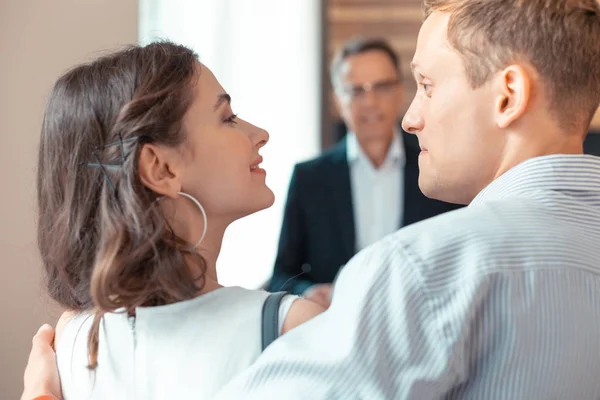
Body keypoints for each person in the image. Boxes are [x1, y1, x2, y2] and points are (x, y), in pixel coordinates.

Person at [22, 0, 600, 397]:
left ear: (508, 97)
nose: (407, 116)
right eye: (227, 117)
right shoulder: (78, 338)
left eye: (423, 85)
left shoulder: (421, 270)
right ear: (159, 166)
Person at [30, 41, 323, 400]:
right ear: (161, 168)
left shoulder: (67, 346)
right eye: (227, 117)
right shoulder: (292, 331)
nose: (260, 134)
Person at [268, 37, 460, 306]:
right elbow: (281, 276)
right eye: (356, 91)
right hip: (339, 325)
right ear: (337, 100)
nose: (370, 102)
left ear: (399, 91)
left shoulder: (436, 166)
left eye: (381, 87)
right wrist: (309, 293)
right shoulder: (309, 178)